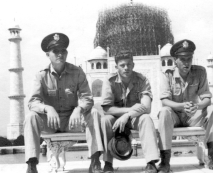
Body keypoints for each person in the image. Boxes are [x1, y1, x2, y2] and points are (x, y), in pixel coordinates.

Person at [24, 33, 104, 173]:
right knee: (31, 117)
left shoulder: (77, 72)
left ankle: (95, 162)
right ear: (48, 54)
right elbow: (33, 102)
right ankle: (32, 165)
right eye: (55, 51)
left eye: (63, 51)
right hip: (50, 122)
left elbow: (87, 98)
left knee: (94, 113)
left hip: (71, 121)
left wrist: (79, 109)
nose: (60, 54)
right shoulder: (41, 76)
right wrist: (47, 108)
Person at [158, 39, 213, 172]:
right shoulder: (167, 75)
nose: (186, 62)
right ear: (175, 60)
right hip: (175, 117)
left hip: (193, 116)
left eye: (189, 58)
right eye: (182, 59)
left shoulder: (199, 72)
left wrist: (198, 106)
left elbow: (207, 97)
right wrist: (182, 106)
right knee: (164, 112)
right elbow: (165, 100)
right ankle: (165, 162)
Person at [101, 50, 160, 173]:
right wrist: (129, 110)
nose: (126, 68)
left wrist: (127, 115)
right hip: (115, 119)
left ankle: (151, 163)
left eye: (129, 64)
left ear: (133, 65)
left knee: (146, 119)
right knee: (106, 120)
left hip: (134, 118)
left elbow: (147, 108)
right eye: (122, 65)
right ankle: (107, 163)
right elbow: (106, 109)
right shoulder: (110, 81)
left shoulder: (142, 80)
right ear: (116, 67)